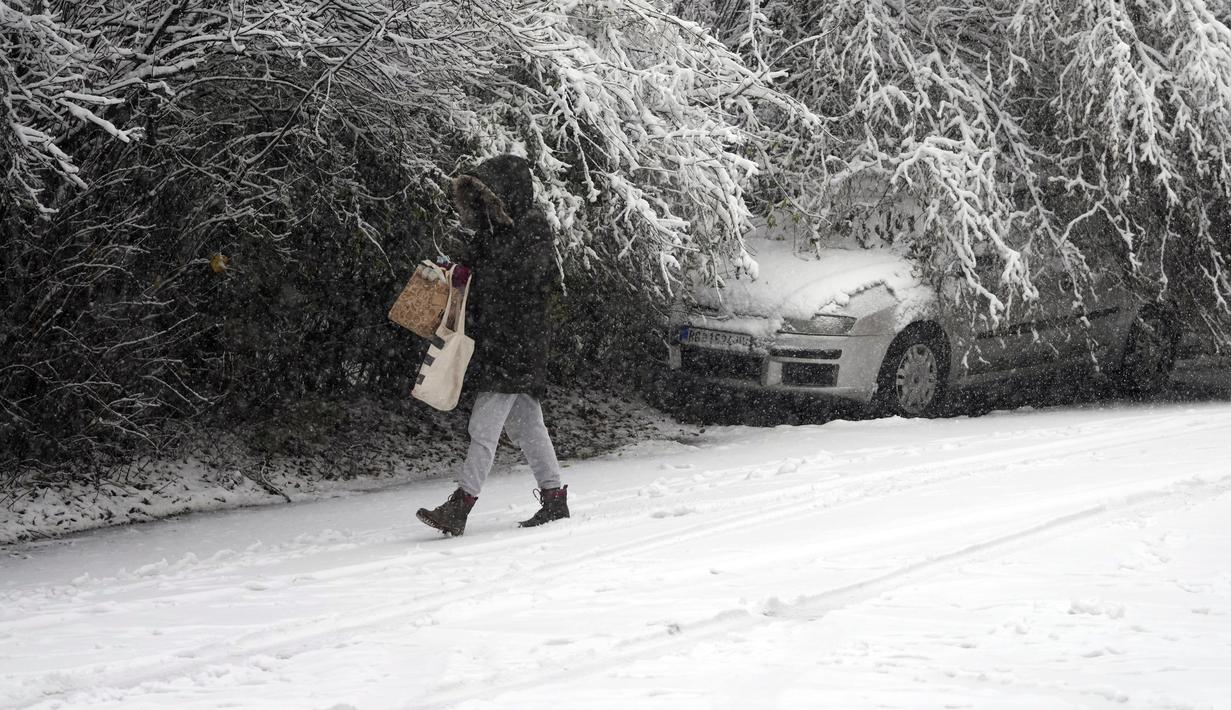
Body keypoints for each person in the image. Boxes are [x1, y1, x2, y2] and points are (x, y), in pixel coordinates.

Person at [416, 154, 569, 536]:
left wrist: (477, 277)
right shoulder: (494, 233)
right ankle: (554, 500)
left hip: (516, 345)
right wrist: (455, 272)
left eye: (490, 198)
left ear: (508, 195)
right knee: (528, 427)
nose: (484, 207)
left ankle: (461, 505)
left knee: (483, 426)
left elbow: (518, 287)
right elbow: (485, 278)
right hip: (503, 344)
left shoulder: (533, 232)